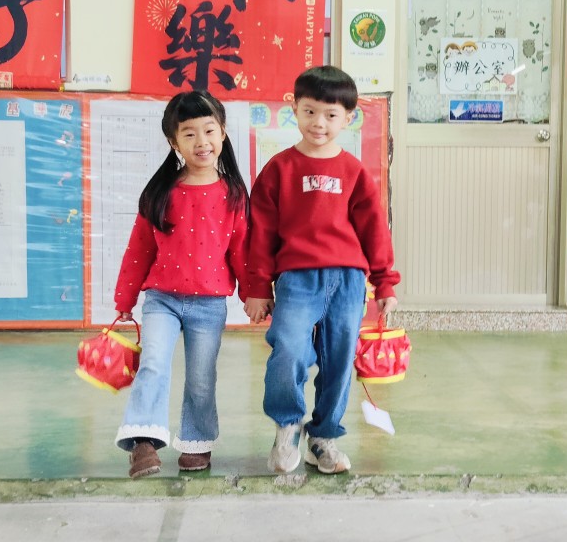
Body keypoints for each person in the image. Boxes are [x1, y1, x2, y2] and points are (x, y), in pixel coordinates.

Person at [244, 65, 401, 475]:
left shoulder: (355, 173)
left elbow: (374, 231)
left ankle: (324, 438)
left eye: (331, 115)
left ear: (348, 118)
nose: (319, 122)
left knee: (339, 361)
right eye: (310, 111)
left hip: (348, 280)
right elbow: (260, 233)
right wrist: (257, 287)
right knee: (289, 349)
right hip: (297, 279)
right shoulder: (279, 169)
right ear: (294, 109)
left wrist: (385, 283)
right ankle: (287, 426)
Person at [112, 91, 249, 479]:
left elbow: (242, 251)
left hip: (209, 305)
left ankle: (197, 442)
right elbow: (139, 249)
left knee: (202, 378)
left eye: (209, 130)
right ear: (174, 142)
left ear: (223, 132)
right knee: (153, 363)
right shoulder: (161, 192)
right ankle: (143, 441)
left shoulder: (234, 195)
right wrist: (125, 298)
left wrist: (255, 294)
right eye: (189, 134)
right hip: (162, 300)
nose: (201, 141)